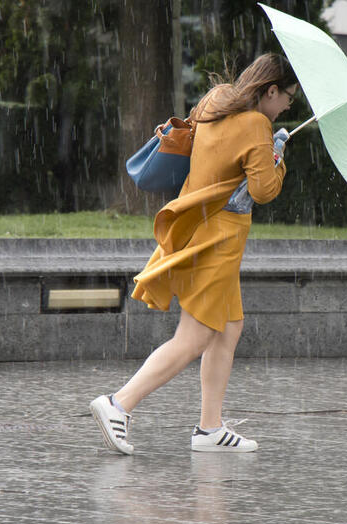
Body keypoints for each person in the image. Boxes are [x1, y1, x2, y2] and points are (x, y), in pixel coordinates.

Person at [90, 53, 298, 455]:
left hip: (199, 225)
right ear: (270, 90)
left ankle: (210, 429)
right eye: (287, 96)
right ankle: (118, 404)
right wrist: (277, 158)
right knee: (194, 337)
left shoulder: (215, 100)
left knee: (229, 327)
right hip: (219, 241)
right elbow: (263, 191)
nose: (288, 104)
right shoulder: (257, 124)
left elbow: (218, 164)